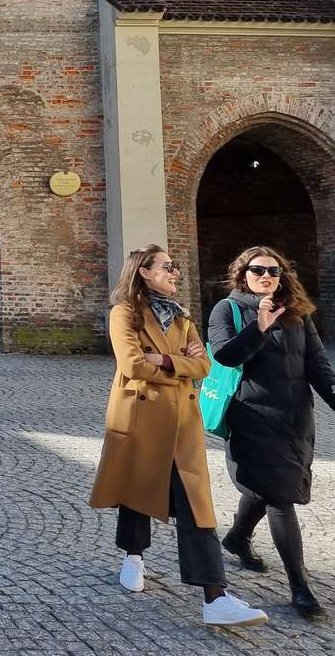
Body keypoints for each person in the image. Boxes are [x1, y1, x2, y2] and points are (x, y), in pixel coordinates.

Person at [88, 245, 267, 628]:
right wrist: (175, 364)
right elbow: (132, 364)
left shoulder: (182, 316)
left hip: (183, 421)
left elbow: (203, 365)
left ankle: (214, 597)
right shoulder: (124, 314)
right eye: (167, 267)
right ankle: (133, 555)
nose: (175, 272)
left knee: (195, 504)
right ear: (143, 272)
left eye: (174, 266)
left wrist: (167, 360)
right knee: (138, 490)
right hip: (140, 418)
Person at [207, 246, 335, 618]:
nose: (266, 276)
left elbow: (317, 364)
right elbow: (225, 355)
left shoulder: (296, 312)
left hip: (296, 418)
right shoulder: (226, 310)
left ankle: (236, 538)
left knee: (270, 488)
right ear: (242, 273)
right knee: (281, 497)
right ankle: (300, 586)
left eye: (274, 271)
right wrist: (258, 327)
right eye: (258, 269)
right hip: (251, 417)